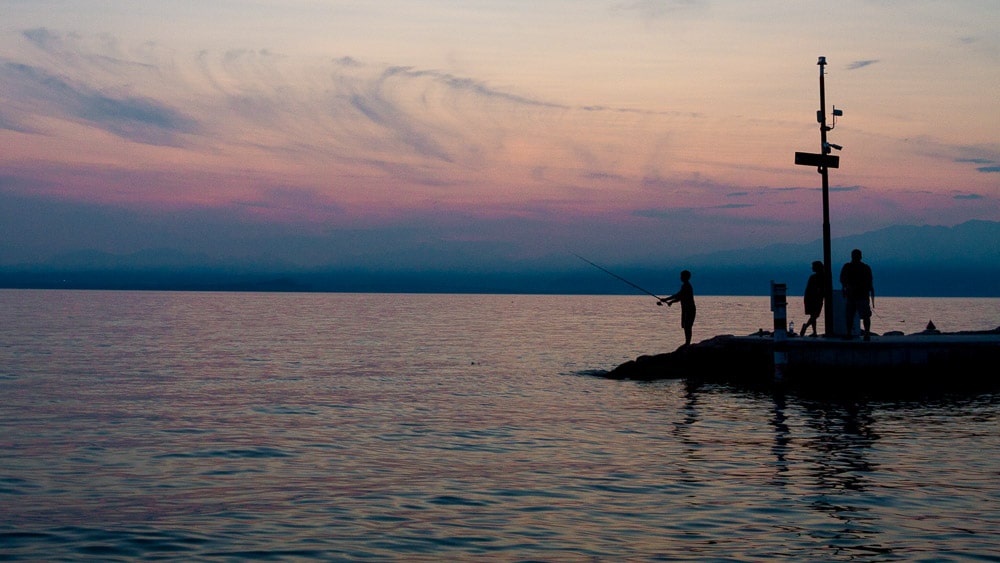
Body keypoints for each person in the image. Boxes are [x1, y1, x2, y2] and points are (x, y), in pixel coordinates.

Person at [839, 249, 875, 340]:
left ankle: (861, 333)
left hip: (859, 296)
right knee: (853, 315)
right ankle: (862, 333)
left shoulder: (860, 267)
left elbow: (843, 279)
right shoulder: (862, 267)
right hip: (856, 296)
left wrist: (847, 286)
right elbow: (843, 279)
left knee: (857, 315)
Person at [661, 270, 696, 347]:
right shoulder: (685, 285)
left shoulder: (686, 286)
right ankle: (687, 342)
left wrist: (666, 300)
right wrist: (670, 301)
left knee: (687, 326)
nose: (680, 277)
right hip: (687, 308)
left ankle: (687, 343)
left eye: (682, 276)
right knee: (686, 325)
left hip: (689, 309)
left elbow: (678, 295)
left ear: (685, 277)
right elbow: (679, 297)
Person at [800, 261, 824, 337]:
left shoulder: (817, 277)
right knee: (814, 315)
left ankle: (810, 329)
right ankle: (810, 329)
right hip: (813, 298)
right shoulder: (814, 277)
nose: (812, 268)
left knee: (814, 315)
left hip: (814, 298)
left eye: (813, 266)